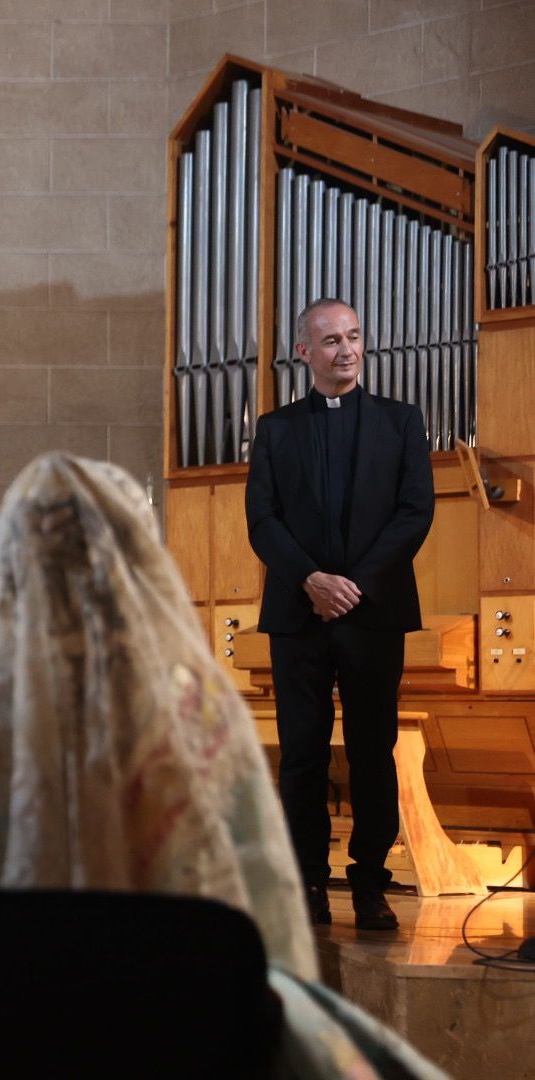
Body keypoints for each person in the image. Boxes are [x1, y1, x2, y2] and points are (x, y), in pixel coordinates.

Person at [0, 453, 444, 1079]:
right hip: (179, 978)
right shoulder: (193, 704)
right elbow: (245, 864)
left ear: (16, 561)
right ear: (128, 562)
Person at [245, 299, 434, 932]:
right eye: (330, 340)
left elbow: (415, 511)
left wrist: (353, 584)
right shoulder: (274, 429)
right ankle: (307, 887)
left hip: (372, 612)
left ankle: (371, 884)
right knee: (301, 755)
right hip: (300, 616)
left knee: (372, 752)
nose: (345, 349)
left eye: (353, 337)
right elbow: (262, 521)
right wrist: (311, 580)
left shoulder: (402, 422)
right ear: (304, 352)